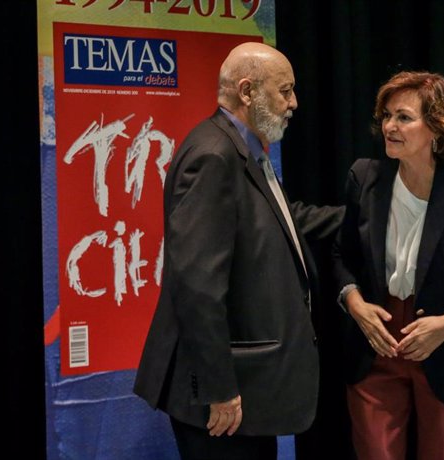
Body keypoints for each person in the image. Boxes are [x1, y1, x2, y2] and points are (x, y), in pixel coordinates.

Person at [133, 42, 344, 460]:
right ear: (247, 92)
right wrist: (220, 389)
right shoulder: (214, 155)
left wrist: (364, 217)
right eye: (285, 90)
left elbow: (279, 218)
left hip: (247, 389)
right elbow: (196, 284)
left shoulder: (240, 146)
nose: (294, 103)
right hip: (219, 396)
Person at [332, 70, 444, 460]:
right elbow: (342, 256)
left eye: (404, 117)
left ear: (438, 130)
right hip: (376, 344)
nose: (390, 126)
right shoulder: (364, 177)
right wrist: (355, 305)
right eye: (387, 116)